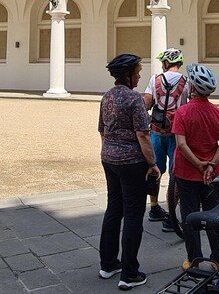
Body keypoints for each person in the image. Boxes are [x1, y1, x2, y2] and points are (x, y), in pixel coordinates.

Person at [98, 53, 161, 291]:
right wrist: (152, 163)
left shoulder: (106, 97)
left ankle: (108, 264)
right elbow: (143, 135)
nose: (139, 75)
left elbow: (102, 131)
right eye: (137, 72)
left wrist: (110, 151)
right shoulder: (134, 100)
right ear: (127, 75)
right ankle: (129, 273)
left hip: (109, 159)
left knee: (114, 208)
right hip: (132, 162)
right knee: (134, 214)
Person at [171, 64, 219, 270]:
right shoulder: (218, 113)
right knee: (213, 215)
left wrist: (198, 164)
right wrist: (212, 164)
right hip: (212, 174)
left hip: (187, 172)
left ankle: (194, 260)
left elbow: (181, 144)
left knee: (189, 216)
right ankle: (218, 259)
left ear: (192, 88)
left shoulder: (183, 112)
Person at [142, 48, 189, 232]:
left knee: (154, 170)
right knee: (175, 173)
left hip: (156, 131)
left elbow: (146, 102)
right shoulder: (186, 82)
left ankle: (154, 208)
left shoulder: (155, 79)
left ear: (167, 63)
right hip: (177, 134)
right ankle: (171, 216)